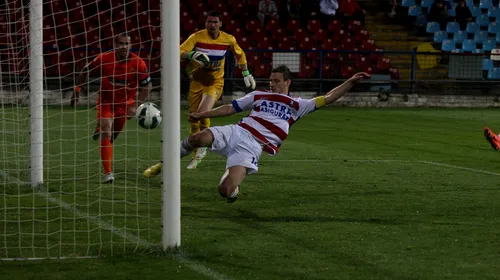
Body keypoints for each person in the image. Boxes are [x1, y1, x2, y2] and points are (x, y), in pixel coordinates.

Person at [143, 65, 369, 202]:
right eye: (270, 80)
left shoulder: (299, 104)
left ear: (287, 82)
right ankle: (163, 164)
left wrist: (349, 81)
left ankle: (233, 190)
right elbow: (230, 108)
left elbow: (328, 97)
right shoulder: (258, 95)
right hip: (237, 131)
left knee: (224, 190)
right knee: (197, 138)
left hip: (251, 147)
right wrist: (203, 114)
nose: (272, 84)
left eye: (276, 81)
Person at [71, 33, 152, 183]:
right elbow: (86, 69)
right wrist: (77, 89)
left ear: (130, 45)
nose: (124, 47)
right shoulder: (105, 58)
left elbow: (147, 86)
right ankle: (108, 173)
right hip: (106, 101)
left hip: (125, 105)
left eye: (126, 44)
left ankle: (100, 128)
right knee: (106, 133)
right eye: (121, 44)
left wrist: (135, 104)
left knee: (112, 137)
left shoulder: (139, 63)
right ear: (115, 45)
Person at [179, 10, 256, 170]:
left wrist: (246, 73)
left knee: (202, 112)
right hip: (197, 81)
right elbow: (179, 51)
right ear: (205, 23)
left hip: (215, 82)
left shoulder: (228, 39)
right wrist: (191, 54)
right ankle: (196, 153)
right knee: (193, 118)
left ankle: (202, 148)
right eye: (209, 22)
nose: (212, 25)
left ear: (220, 23)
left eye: (215, 22)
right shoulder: (197, 37)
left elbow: (240, 55)